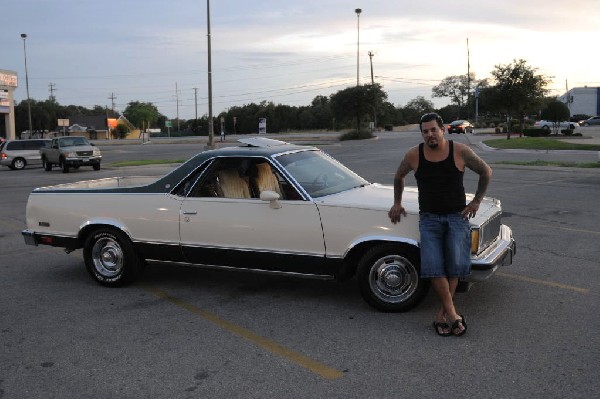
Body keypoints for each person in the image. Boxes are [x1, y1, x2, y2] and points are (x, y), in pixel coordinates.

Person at [388, 113, 492, 337]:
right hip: (429, 219)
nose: (429, 135)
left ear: (442, 129)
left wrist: (476, 201)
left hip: (457, 216)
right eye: (425, 131)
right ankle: (452, 314)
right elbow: (399, 176)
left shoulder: (460, 151)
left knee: (455, 265)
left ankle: (442, 315)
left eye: (433, 130)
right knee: (434, 266)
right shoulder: (414, 154)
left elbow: (486, 171)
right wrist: (397, 203)